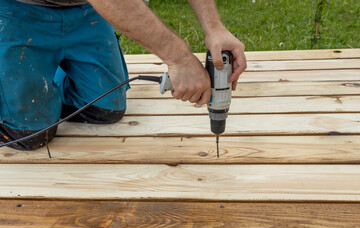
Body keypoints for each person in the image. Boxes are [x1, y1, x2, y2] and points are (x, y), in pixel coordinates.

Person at [0, 0, 247, 151]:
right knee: (29, 135)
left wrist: (214, 27)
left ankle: (47, 77)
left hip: (86, 9)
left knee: (106, 109)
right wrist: (180, 59)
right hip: (15, 8)